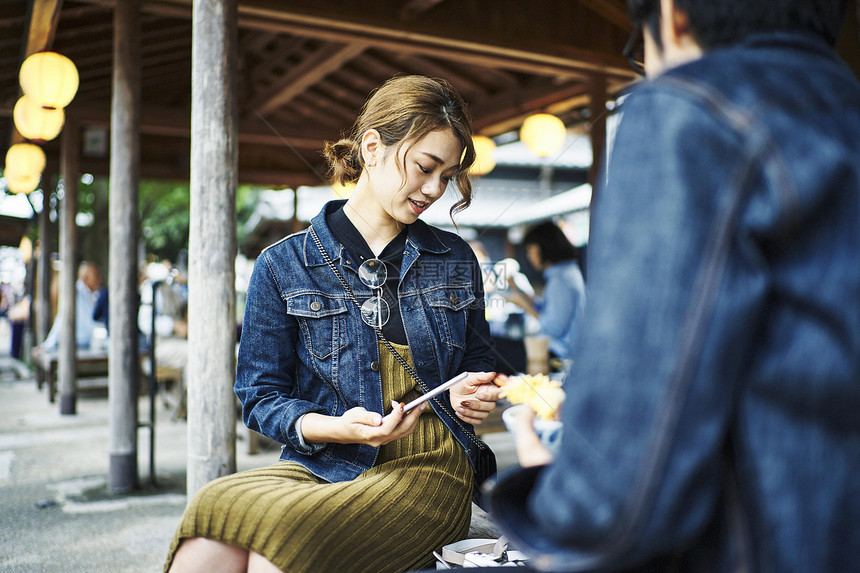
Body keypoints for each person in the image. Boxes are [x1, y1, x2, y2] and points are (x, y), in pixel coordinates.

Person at [484, 1, 860, 571]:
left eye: (640, 48)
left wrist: (540, 498)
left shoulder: (695, 107)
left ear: (672, 15)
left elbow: (615, 493)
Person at [164, 75, 502, 573]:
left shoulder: (454, 258)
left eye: (447, 176)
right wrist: (340, 430)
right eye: (425, 168)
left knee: (276, 543)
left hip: (429, 467)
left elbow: (478, 363)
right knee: (209, 517)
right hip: (319, 461)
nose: (434, 189)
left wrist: (475, 393)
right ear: (372, 147)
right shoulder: (283, 264)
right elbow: (260, 397)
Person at [505, 221, 586, 365]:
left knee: (497, 348)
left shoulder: (561, 279)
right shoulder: (566, 273)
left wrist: (525, 306)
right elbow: (554, 311)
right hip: (557, 352)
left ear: (545, 248)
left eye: (531, 250)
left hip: (558, 357)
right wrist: (526, 297)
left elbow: (554, 328)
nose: (530, 257)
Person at [40, 261, 104, 351]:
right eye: (96, 275)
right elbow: (61, 318)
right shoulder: (75, 293)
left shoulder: (94, 294)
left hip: (87, 346)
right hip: (75, 347)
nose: (100, 279)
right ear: (85, 278)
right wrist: (49, 344)